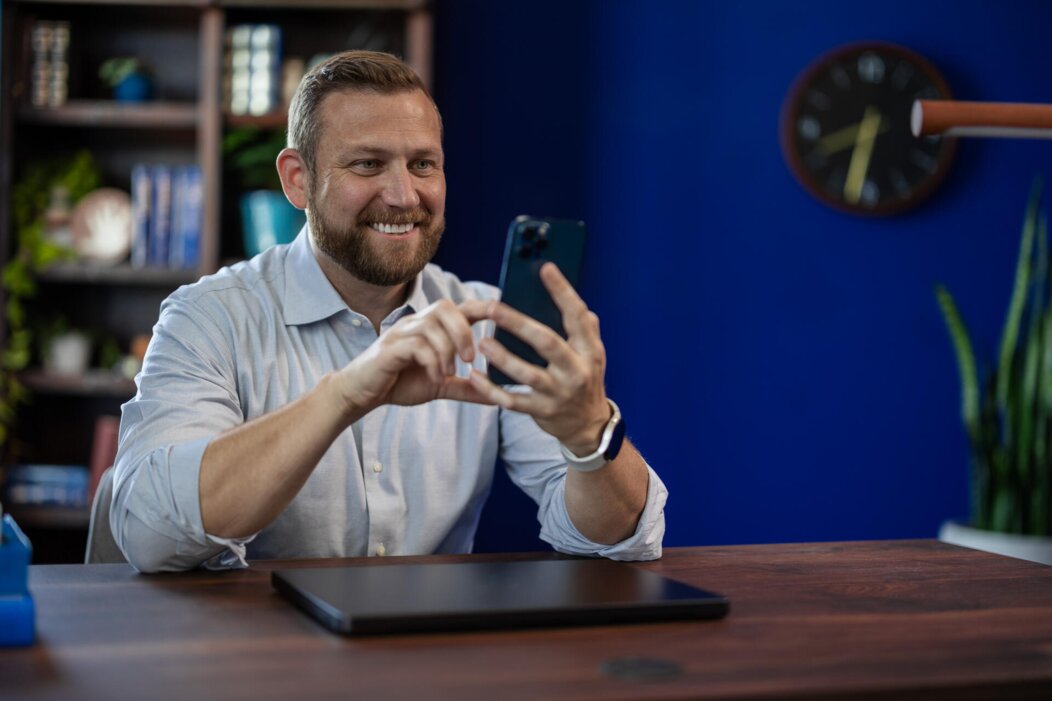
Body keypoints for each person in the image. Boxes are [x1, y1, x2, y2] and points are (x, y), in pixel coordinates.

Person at [111, 50, 667, 572]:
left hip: (430, 661)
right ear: (296, 179)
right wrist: (343, 394)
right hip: (260, 661)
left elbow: (617, 541)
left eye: (423, 164)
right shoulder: (207, 319)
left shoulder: (490, 323)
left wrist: (591, 436)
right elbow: (150, 536)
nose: (403, 195)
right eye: (368, 164)